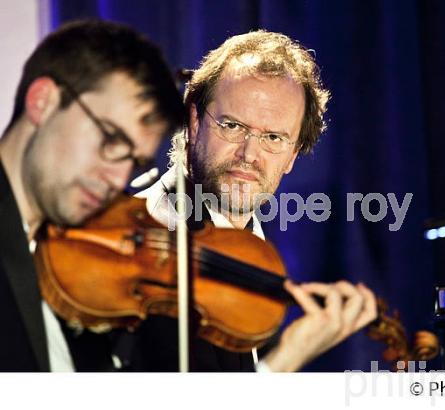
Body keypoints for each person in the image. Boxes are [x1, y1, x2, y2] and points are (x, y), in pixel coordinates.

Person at [142, 30, 378, 372]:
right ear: (194, 122)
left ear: (293, 155)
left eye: (272, 137)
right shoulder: (149, 241)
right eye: (232, 126)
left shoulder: (258, 259)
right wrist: (284, 362)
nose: (249, 155)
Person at [0, 19, 184, 371]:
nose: (117, 179)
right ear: (43, 101)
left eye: (134, 161)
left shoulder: (78, 277)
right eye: (111, 139)